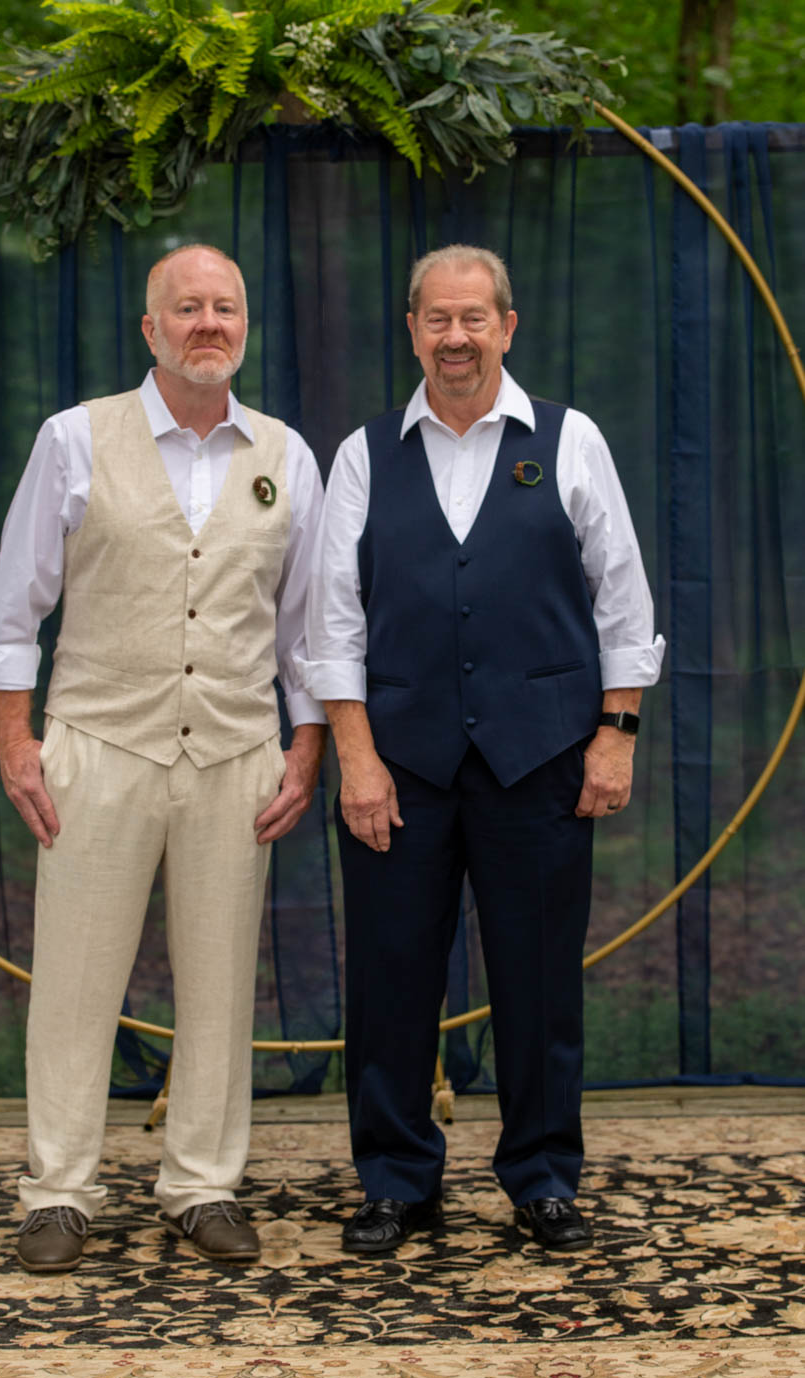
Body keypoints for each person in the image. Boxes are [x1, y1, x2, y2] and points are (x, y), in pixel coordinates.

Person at [302, 244, 664, 1254]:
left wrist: (615, 736)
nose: (454, 337)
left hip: (541, 758)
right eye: (436, 319)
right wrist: (355, 758)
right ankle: (395, 1181)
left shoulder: (570, 439)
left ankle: (542, 1175)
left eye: (473, 318)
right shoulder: (364, 454)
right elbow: (331, 623)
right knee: (389, 979)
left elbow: (623, 600)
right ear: (411, 329)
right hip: (398, 767)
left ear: (506, 325)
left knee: (538, 979)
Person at [0, 244, 326, 1273]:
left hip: (235, 750)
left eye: (225, 307)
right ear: (150, 328)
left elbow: (308, 628)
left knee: (220, 980)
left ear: (245, 325)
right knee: (74, 979)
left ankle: (202, 1184)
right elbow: (13, 604)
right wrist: (16, 740)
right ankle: (58, 1191)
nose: (207, 323)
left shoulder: (286, 455)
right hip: (99, 745)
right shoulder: (75, 437)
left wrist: (305, 747)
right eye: (187, 307)